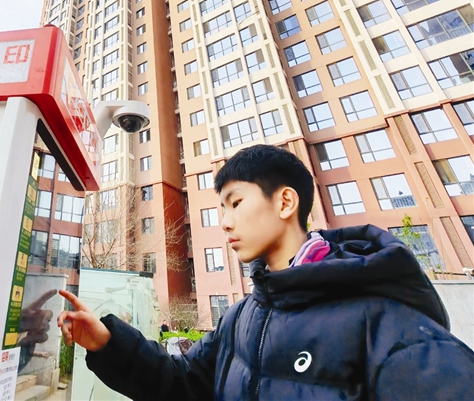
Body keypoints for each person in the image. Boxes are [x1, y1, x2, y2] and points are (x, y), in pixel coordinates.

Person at [57, 145, 474, 400]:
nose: (224, 222)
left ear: (285, 202)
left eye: (235, 203)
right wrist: (108, 343)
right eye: (221, 208)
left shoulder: (386, 323)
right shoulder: (241, 316)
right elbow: (183, 383)